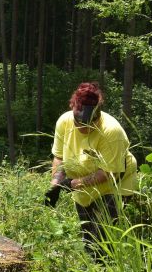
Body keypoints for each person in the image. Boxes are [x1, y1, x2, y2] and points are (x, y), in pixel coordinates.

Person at [46, 82, 137, 253]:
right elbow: (59, 156)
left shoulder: (111, 131)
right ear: (72, 108)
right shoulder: (64, 122)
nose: (83, 128)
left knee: (102, 237)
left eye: (89, 124)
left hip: (115, 183)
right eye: (79, 123)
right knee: (87, 236)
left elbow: (109, 173)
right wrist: (56, 184)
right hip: (83, 184)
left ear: (97, 115)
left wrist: (71, 184)